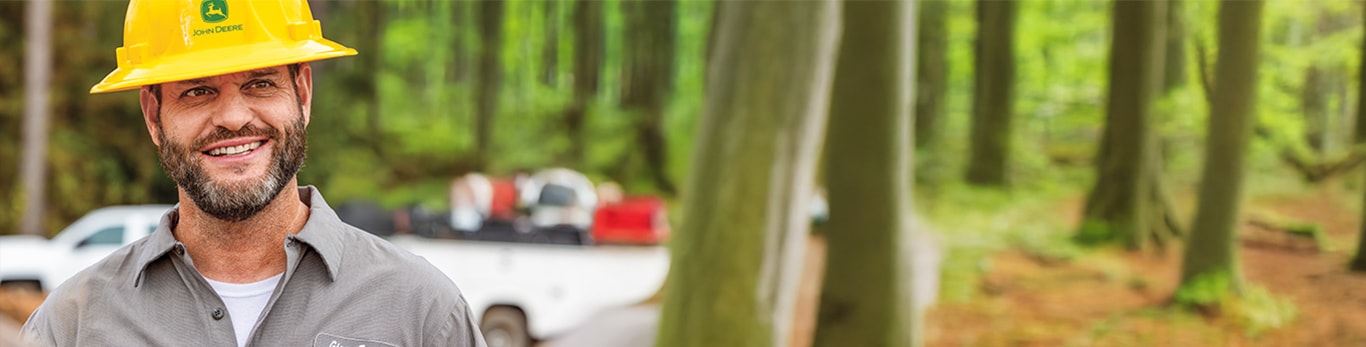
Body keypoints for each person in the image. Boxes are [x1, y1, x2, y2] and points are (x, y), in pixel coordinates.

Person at [20, 1, 486, 346]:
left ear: (302, 94)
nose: (233, 117)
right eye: (198, 91)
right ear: (152, 114)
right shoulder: (75, 325)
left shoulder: (420, 310)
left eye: (259, 83)